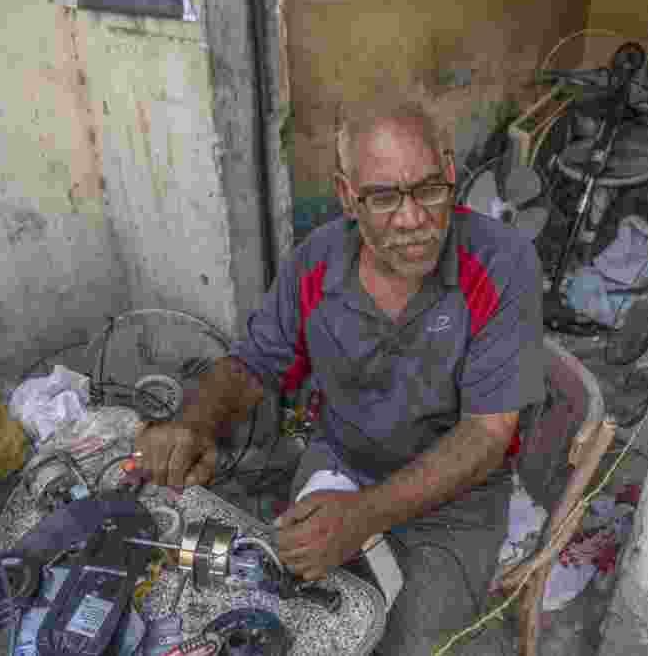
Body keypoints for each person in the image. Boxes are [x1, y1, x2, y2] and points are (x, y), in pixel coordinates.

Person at [135, 101, 546, 654]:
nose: (413, 219)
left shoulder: (503, 262)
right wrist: (195, 422)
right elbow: (254, 362)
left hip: (455, 503)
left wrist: (365, 515)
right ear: (347, 196)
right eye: (383, 197)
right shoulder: (317, 263)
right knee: (275, 610)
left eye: (429, 189)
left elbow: (487, 434)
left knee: (406, 644)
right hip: (340, 463)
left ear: (450, 172)